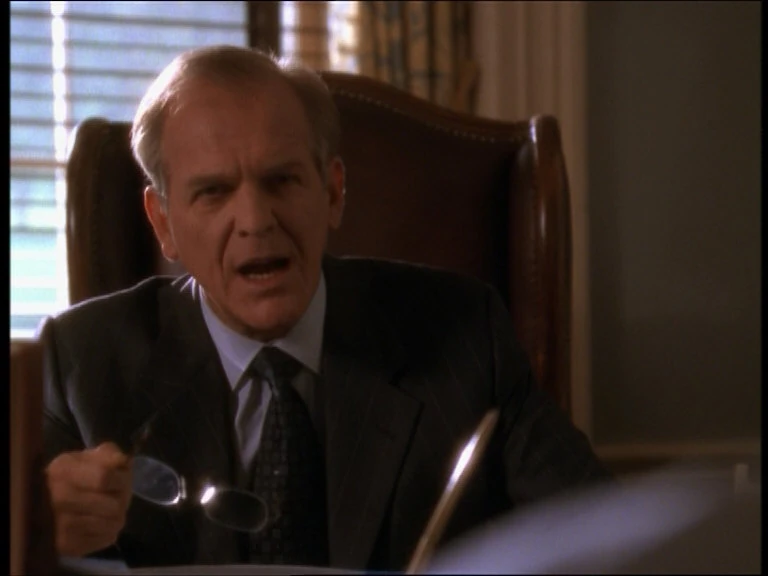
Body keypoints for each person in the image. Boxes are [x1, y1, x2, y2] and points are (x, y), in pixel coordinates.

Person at [40, 45, 610, 571]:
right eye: (213, 192)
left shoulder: (465, 334)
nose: (256, 221)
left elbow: (600, 533)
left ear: (333, 191)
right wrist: (33, 531)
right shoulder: (80, 364)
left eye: (281, 180)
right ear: (163, 222)